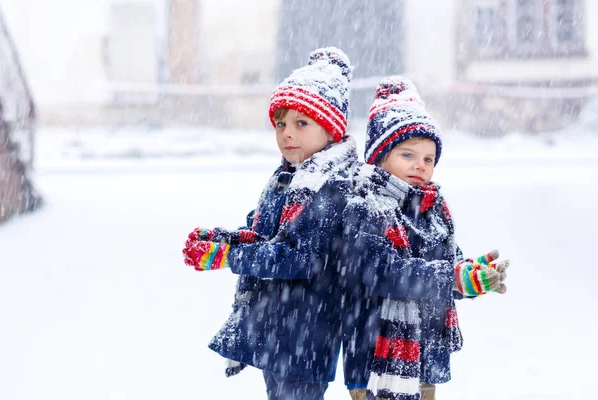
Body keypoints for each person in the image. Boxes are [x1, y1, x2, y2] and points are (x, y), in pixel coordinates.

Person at [183, 47, 358, 400]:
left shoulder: (331, 188)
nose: (287, 133)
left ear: (332, 129)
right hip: (278, 330)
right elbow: (263, 234)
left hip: (307, 334)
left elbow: (299, 258)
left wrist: (229, 258)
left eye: (301, 123)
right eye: (281, 123)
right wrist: (223, 241)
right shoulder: (288, 177)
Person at [340, 76, 508, 400]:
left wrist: (471, 274)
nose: (420, 165)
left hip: (425, 354)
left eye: (428, 159)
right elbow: (387, 275)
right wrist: (453, 278)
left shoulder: (433, 210)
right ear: (379, 156)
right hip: (377, 360)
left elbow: (446, 269)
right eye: (408, 155)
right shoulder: (367, 208)